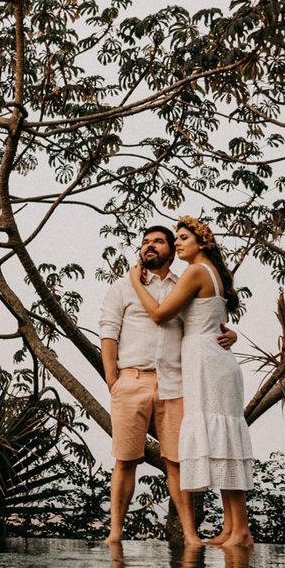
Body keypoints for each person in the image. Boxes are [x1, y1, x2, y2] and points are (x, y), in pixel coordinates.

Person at [98, 225, 238, 547]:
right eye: (145, 241)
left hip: (175, 383)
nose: (150, 246)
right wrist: (112, 381)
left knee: (176, 460)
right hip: (130, 380)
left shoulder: (184, 284)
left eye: (158, 242)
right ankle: (115, 532)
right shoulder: (122, 287)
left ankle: (190, 534)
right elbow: (108, 331)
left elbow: (206, 321)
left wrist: (231, 335)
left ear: (171, 252)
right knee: (125, 459)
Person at [128, 215, 254, 550]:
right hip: (206, 360)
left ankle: (240, 530)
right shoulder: (206, 272)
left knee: (223, 443)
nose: (179, 242)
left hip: (208, 364)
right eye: (178, 238)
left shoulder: (197, 271)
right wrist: (230, 333)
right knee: (220, 442)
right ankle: (231, 528)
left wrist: (135, 282)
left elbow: (160, 314)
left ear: (202, 243)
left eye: (184, 237)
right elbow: (213, 319)